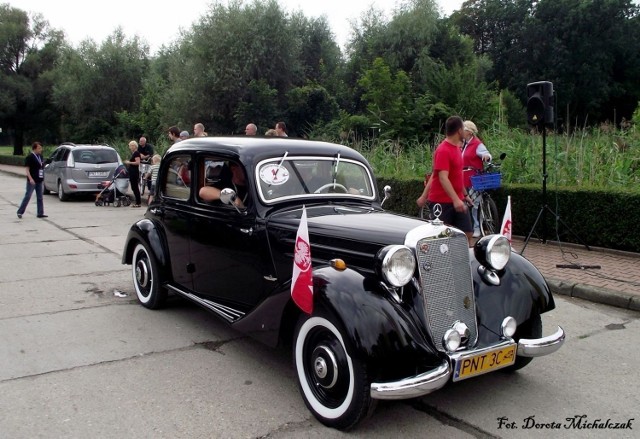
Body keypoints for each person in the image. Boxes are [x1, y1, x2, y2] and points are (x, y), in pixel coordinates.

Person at [424, 116, 473, 243]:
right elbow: (442, 177)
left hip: (458, 198)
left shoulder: (456, 148)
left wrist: (464, 195)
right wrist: (456, 200)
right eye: (463, 128)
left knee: (467, 232)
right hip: (442, 201)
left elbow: (458, 175)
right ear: (459, 131)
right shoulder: (443, 150)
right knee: (442, 237)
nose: (465, 131)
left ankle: (461, 258)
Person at [462, 120, 492, 237]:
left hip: (474, 178)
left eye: (463, 130)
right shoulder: (464, 143)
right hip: (463, 177)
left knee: (475, 204)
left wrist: (486, 157)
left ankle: (477, 228)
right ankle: (466, 227)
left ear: (469, 132)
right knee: (465, 203)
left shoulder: (477, 144)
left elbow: (487, 154)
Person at [17, 141, 47, 219]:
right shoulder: (30, 157)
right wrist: (30, 179)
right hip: (32, 180)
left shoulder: (40, 156)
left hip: (39, 179)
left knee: (40, 197)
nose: (40, 149)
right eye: (39, 148)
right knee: (28, 196)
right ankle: (20, 211)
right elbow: (27, 169)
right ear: (34, 149)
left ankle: (40, 213)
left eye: (41, 148)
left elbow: (41, 165)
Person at [124, 140, 142, 207]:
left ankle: (138, 202)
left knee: (135, 187)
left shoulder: (136, 153)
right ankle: (137, 201)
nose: (130, 147)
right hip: (132, 171)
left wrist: (129, 162)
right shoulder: (134, 153)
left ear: (134, 146)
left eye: (131, 146)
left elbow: (137, 162)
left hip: (134, 172)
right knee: (133, 187)